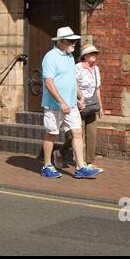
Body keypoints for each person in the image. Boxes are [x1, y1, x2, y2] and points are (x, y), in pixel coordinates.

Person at [40, 27, 97, 180]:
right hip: (54, 105)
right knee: (51, 134)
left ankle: (80, 167)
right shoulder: (50, 57)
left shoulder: (70, 56)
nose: (74, 44)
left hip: (71, 104)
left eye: (75, 41)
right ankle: (47, 166)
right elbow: (49, 83)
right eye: (71, 41)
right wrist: (61, 102)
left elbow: (72, 80)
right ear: (61, 41)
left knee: (77, 132)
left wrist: (80, 97)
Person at [73, 44, 103, 173]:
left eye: (95, 53)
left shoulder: (96, 69)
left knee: (92, 134)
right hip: (79, 105)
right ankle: (60, 152)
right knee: (77, 134)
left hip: (92, 105)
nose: (94, 56)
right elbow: (73, 85)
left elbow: (97, 89)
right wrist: (79, 100)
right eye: (91, 54)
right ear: (84, 56)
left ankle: (89, 163)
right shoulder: (77, 68)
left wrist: (100, 107)